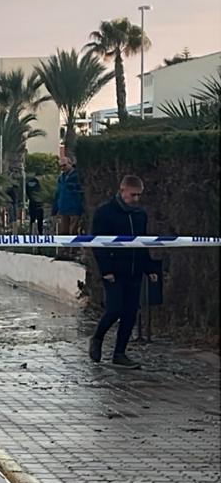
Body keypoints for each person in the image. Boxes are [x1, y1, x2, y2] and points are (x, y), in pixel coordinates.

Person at [89, 175, 159, 368]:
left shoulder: (140, 215)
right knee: (114, 310)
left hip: (134, 271)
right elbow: (97, 244)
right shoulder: (104, 212)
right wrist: (106, 269)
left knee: (130, 313)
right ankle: (97, 338)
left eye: (139, 195)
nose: (136, 199)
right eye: (133, 195)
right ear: (122, 191)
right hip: (114, 271)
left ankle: (119, 353)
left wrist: (149, 268)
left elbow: (142, 242)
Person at [54, 156, 84, 235]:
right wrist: (55, 209)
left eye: (64, 165)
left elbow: (81, 192)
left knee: (73, 232)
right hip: (63, 209)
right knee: (64, 233)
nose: (62, 168)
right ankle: (65, 248)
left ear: (70, 164)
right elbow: (58, 193)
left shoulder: (77, 176)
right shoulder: (61, 178)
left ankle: (74, 247)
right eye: (61, 166)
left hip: (74, 208)